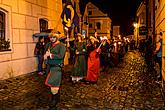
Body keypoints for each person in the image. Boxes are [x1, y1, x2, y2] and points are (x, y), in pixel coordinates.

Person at [44, 32, 66, 108]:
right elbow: (46, 53)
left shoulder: (61, 46)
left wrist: (51, 55)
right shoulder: (49, 45)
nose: (52, 39)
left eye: (53, 37)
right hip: (49, 67)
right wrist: (45, 56)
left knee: (54, 83)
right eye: (50, 37)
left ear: (56, 37)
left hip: (57, 67)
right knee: (52, 84)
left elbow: (61, 56)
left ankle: (54, 100)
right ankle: (56, 97)